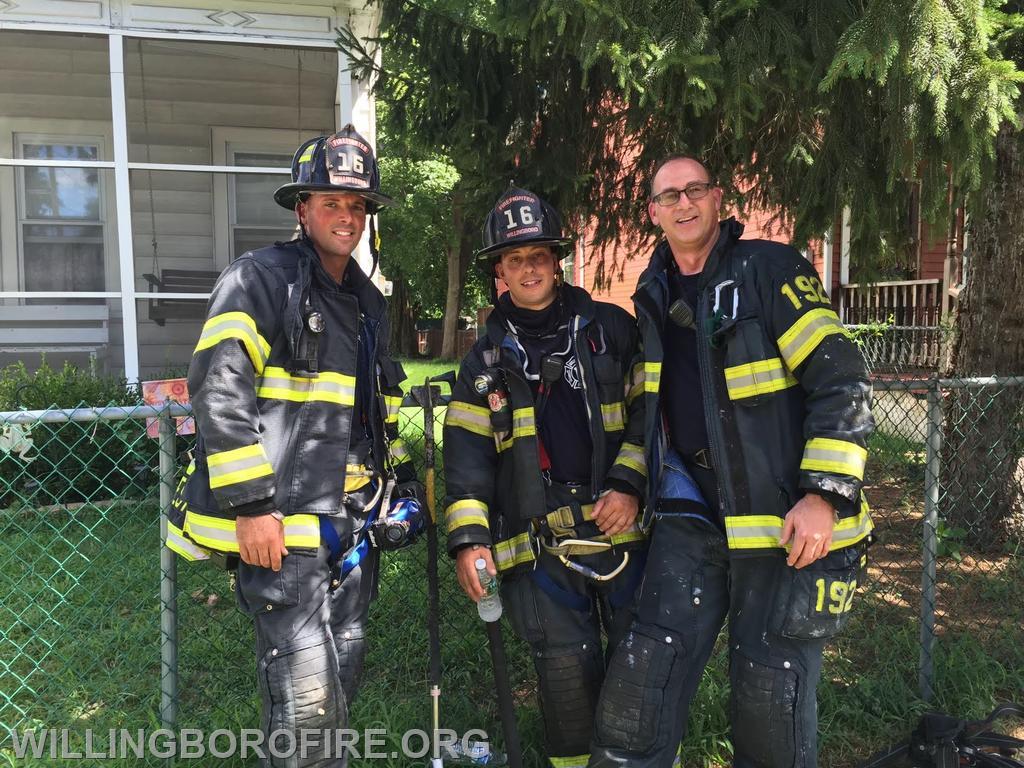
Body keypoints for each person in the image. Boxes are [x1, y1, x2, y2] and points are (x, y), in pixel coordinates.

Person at [587, 156, 875, 768]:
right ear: (654, 212)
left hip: (782, 523)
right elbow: (653, 413)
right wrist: (631, 484)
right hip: (691, 507)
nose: (684, 204)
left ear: (718, 199)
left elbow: (843, 381)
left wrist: (823, 495)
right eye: (670, 195)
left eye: (695, 190)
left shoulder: (769, 271)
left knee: (769, 695)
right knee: (640, 680)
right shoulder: (654, 294)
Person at [164, 124, 424, 766]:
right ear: (301, 208)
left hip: (353, 531)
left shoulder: (365, 302)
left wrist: (402, 484)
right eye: (331, 202)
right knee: (308, 705)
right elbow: (219, 390)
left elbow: (371, 414)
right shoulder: (260, 279)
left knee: (334, 691)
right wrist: (252, 506)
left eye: (358, 205)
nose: (347, 215)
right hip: (284, 531)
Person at [442, 186, 649, 768]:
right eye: (514, 259)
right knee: (565, 679)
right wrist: (470, 540)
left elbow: (648, 418)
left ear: (557, 260)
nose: (528, 268)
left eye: (538, 255)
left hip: (621, 529)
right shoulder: (483, 362)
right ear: (499, 272)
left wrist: (630, 483)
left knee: (641, 668)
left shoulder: (610, 329)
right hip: (539, 546)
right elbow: (466, 460)